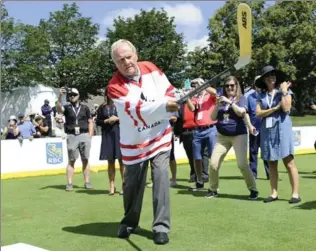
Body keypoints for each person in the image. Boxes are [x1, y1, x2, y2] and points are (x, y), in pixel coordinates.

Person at [107, 39, 178, 245]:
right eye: (121, 60)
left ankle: (161, 227)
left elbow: (169, 90)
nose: (126, 62)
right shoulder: (114, 87)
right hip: (134, 144)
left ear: (136, 54)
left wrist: (170, 102)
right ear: (115, 63)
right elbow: (137, 110)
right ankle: (130, 221)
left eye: (129, 57)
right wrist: (167, 107)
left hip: (160, 136)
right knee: (132, 187)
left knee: (162, 178)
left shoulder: (151, 68)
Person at [206, 76, 258, 199]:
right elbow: (213, 117)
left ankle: (253, 189)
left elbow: (241, 112)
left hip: (238, 135)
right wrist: (217, 105)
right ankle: (213, 189)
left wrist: (230, 102)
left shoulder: (241, 98)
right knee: (213, 164)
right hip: (222, 137)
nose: (229, 88)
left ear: (236, 86)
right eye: (227, 86)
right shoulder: (220, 99)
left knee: (242, 164)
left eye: (232, 85)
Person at [255, 65, 300, 204]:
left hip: (282, 129)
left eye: (273, 75)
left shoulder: (285, 92)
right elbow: (258, 113)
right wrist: (274, 108)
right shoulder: (261, 95)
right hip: (267, 131)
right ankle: (274, 193)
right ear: (264, 80)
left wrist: (285, 91)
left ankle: (295, 194)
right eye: (268, 75)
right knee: (272, 163)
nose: (271, 77)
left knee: (289, 162)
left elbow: (286, 108)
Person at [57, 88, 94, 191]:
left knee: (85, 159)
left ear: (79, 96)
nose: (72, 96)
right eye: (70, 95)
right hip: (72, 136)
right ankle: (69, 183)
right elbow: (59, 109)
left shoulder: (85, 108)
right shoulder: (67, 107)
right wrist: (60, 96)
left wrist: (90, 135)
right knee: (71, 160)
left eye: (74, 94)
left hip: (84, 134)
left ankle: (87, 182)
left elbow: (90, 121)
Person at [186, 78, 218, 191]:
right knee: (197, 158)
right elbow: (192, 108)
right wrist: (187, 97)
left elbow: (216, 92)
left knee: (213, 158)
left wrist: (204, 85)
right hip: (198, 130)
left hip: (211, 129)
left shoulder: (209, 95)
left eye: (196, 84)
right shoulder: (196, 97)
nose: (195, 86)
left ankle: (214, 184)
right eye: (193, 85)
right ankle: (199, 182)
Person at [96, 89, 125, 196]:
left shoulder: (121, 105)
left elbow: (128, 118)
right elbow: (98, 121)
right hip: (107, 135)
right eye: (109, 92)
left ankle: (124, 184)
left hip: (120, 134)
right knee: (110, 161)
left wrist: (117, 118)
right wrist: (106, 121)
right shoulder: (102, 107)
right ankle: (111, 185)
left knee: (122, 161)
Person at [247, 76, 270, 180]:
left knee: (266, 152)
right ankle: (253, 173)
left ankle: (270, 173)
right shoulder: (249, 97)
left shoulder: (267, 95)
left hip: (266, 129)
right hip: (254, 129)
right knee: (253, 152)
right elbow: (247, 113)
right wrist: (249, 126)